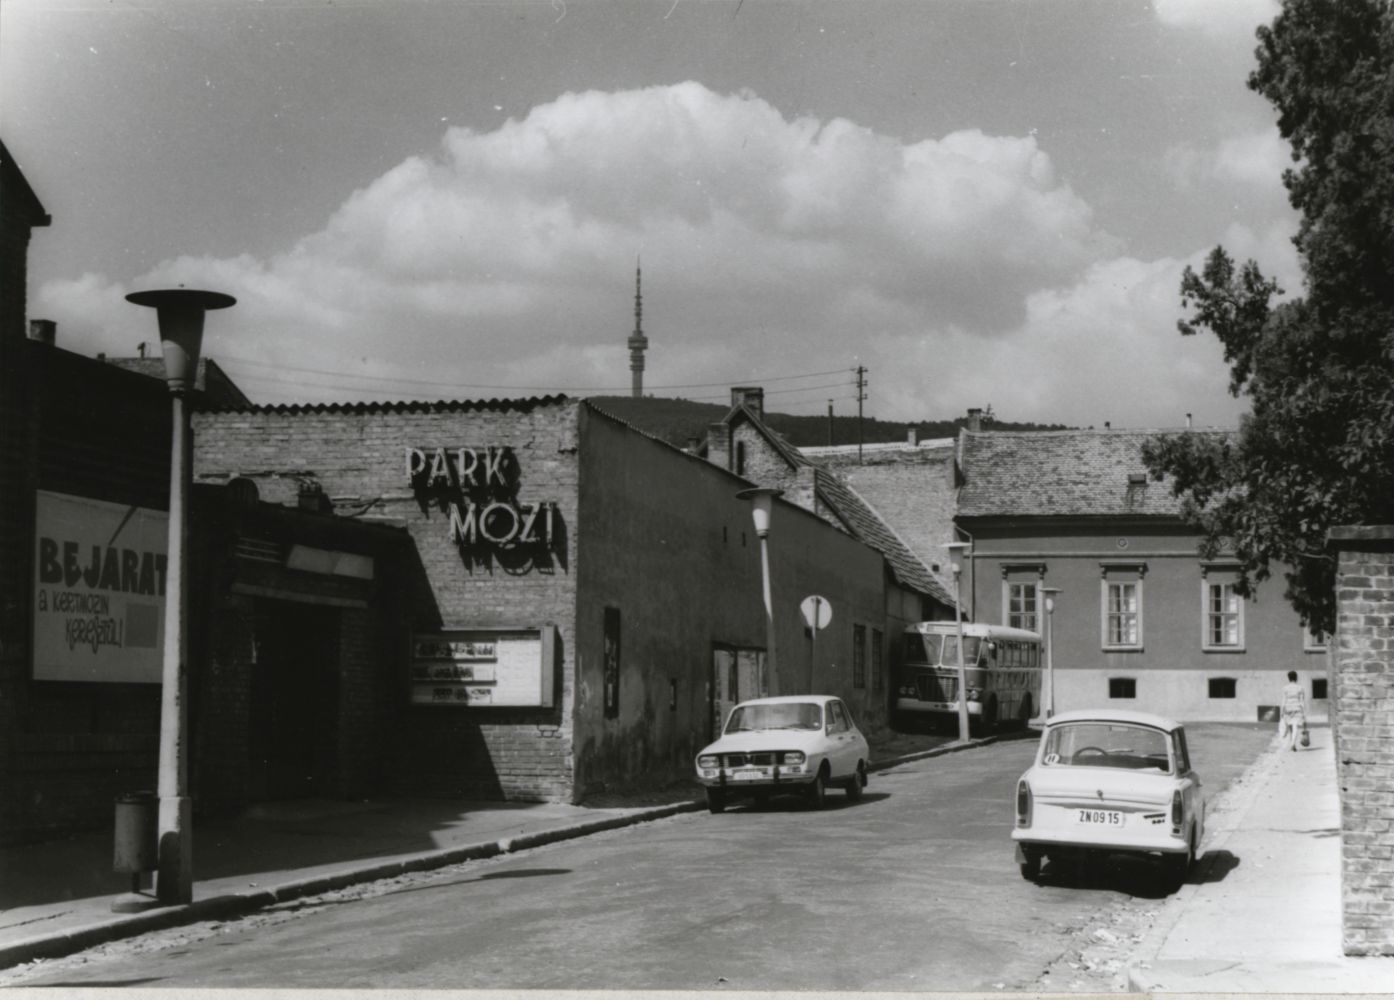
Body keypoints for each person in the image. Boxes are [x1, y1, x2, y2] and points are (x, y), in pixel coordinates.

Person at [1280, 670, 1307, 751]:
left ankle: (1293, 744)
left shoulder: (1285, 688)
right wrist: (1304, 712)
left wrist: (1282, 711)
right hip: (1297, 708)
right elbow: (1302, 701)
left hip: (1288, 708)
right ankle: (1293, 744)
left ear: (1288, 678)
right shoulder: (1300, 688)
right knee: (1295, 726)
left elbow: (1283, 700)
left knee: (1290, 727)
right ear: (1296, 678)